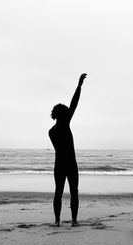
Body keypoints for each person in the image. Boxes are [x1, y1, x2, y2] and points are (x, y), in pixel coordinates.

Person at [49, 73, 87, 227]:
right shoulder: (65, 124)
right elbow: (74, 103)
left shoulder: (51, 131)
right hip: (71, 163)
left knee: (58, 192)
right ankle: (74, 221)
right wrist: (79, 86)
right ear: (63, 114)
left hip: (59, 164)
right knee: (74, 192)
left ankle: (57, 221)